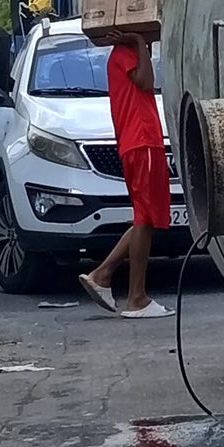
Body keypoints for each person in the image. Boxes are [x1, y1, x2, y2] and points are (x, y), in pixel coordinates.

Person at [78, 28, 172, 318]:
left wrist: (142, 44)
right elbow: (146, 81)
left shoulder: (124, 54)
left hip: (139, 143)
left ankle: (103, 275)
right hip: (142, 140)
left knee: (145, 218)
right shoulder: (125, 53)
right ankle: (136, 298)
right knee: (145, 219)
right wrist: (139, 43)